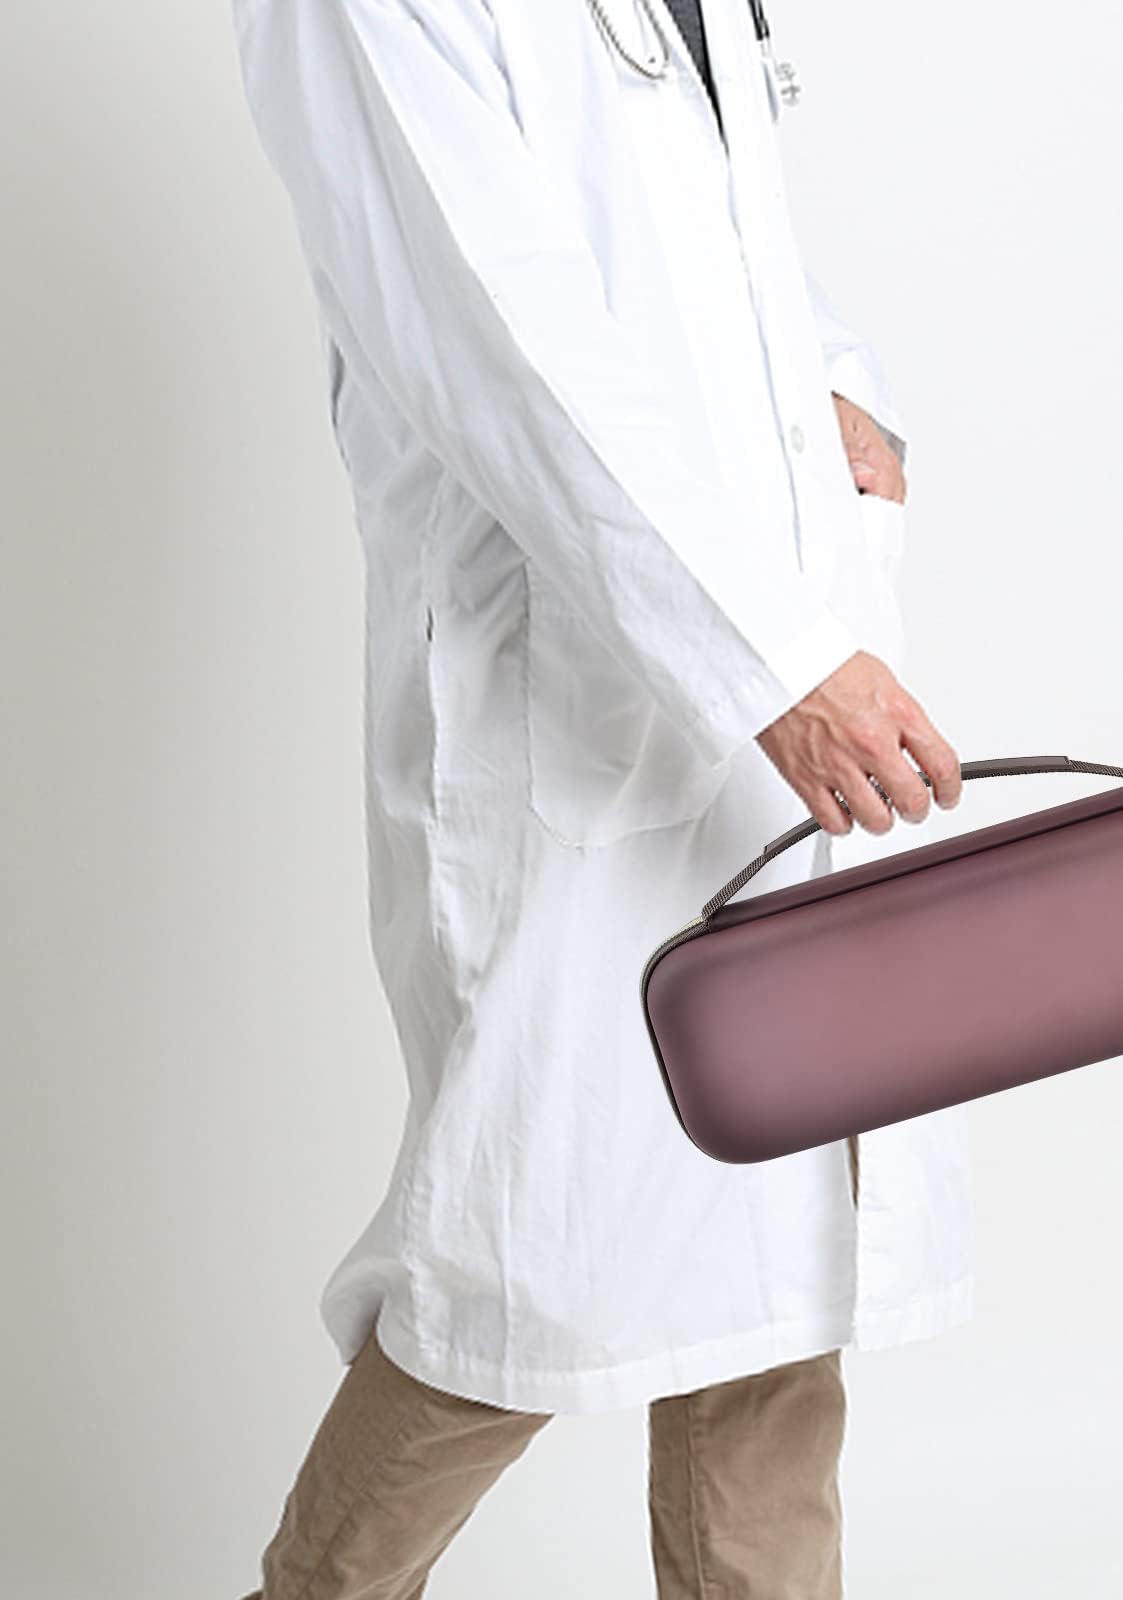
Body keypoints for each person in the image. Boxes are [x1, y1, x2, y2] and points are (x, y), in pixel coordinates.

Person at [228, 0, 975, 1593]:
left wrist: (835, 383)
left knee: (780, 1270)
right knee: (513, 1268)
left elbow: (708, 230)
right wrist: (764, 661)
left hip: (763, 639)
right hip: (579, 696)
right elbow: (496, 325)